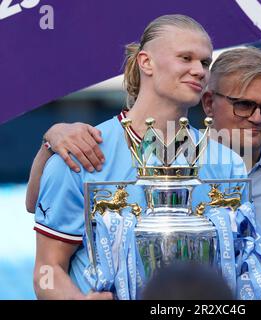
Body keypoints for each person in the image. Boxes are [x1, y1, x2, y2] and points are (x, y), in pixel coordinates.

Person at [27, 49, 261, 299]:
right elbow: (36, 205)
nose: (257, 118)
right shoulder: (159, 166)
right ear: (208, 103)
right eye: (244, 104)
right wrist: (52, 138)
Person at [30, 14, 248, 300]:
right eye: (186, 58)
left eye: (205, 63)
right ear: (146, 62)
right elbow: (47, 269)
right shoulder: (81, 150)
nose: (199, 71)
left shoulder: (228, 162)